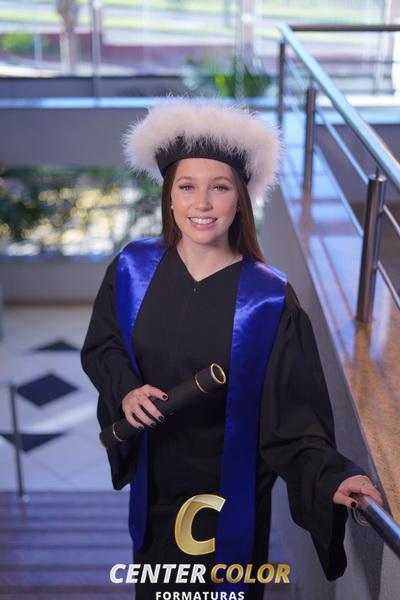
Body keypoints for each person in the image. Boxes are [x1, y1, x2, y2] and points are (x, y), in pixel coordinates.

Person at [80, 98, 383, 599]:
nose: (202, 203)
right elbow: (104, 347)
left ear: (239, 199)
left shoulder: (268, 299)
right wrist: (127, 390)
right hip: (156, 491)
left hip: (229, 500)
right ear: (169, 196)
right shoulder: (131, 270)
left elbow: (294, 419)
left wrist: (331, 476)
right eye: (187, 187)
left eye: (219, 187)